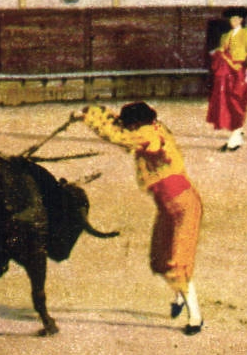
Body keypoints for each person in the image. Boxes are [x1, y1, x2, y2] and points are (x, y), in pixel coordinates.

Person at [76, 102, 205, 335]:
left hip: (183, 206)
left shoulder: (147, 136)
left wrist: (88, 119)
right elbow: (119, 125)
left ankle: (195, 317)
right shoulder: (152, 127)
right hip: (171, 204)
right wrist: (89, 112)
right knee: (160, 258)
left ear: (136, 124)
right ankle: (179, 297)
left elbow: (118, 136)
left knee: (177, 260)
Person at [207, 7, 247, 152]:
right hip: (226, 73)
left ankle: (236, 135)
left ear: (241, 20)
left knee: (237, 102)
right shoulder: (226, 36)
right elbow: (222, 51)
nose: (233, 21)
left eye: (236, 18)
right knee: (227, 102)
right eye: (231, 19)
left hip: (239, 71)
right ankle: (236, 136)